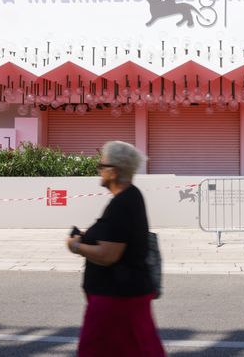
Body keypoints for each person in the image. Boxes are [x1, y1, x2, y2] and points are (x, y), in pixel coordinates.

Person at [66, 140, 165, 357]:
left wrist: (76, 245)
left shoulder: (122, 204)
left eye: (101, 166)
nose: (99, 171)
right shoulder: (130, 197)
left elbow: (109, 254)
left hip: (116, 302)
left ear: (114, 171)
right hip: (123, 298)